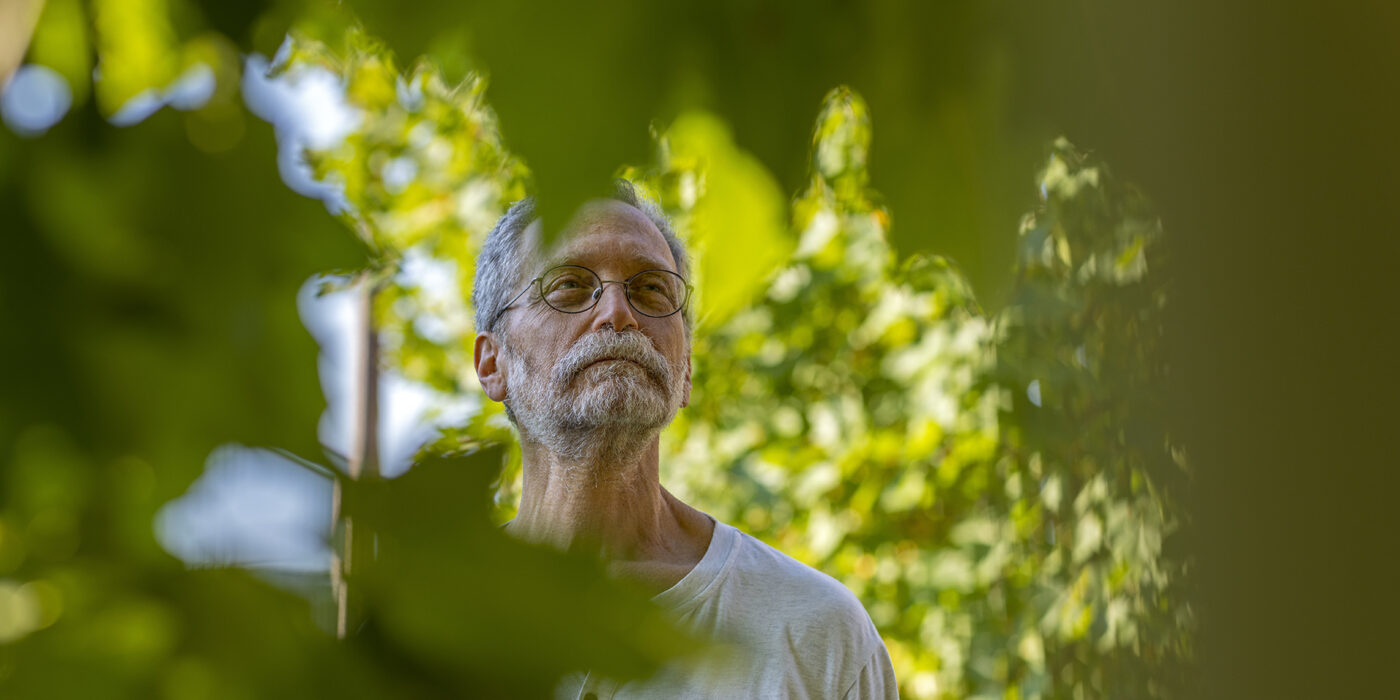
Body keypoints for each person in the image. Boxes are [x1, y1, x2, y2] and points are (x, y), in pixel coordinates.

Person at [472, 181, 898, 699]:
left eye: (652, 289)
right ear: (492, 363)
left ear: (687, 368)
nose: (617, 313)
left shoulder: (817, 632)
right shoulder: (421, 626)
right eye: (569, 284)